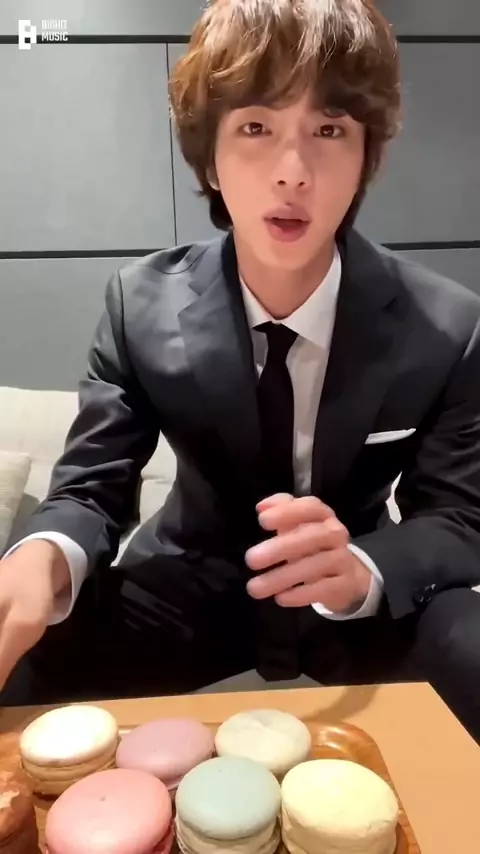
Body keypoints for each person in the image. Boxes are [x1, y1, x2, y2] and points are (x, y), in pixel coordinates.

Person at [1, 0, 480, 740]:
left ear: (366, 157)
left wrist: (366, 569)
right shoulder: (140, 304)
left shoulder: (446, 324)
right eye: (256, 128)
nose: (293, 174)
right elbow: (91, 489)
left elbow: (457, 516)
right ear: (210, 159)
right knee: (28, 648)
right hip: (183, 586)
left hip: (352, 584)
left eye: (329, 130)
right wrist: (40, 557)